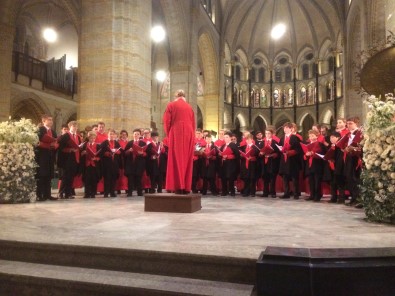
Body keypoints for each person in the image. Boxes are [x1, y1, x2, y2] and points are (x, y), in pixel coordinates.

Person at [163, 89, 195, 194]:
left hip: (176, 132)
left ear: (175, 96)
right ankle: (185, 186)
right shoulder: (190, 107)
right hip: (189, 134)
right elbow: (193, 124)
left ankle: (177, 186)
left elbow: (167, 122)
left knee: (175, 159)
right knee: (186, 159)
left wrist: (169, 135)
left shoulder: (171, 105)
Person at [36, 114, 58, 201]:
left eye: (52, 120)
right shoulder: (40, 129)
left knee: (49, 175)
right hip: (42, 156)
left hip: (50, 156)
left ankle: (48, 194)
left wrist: (55, 145)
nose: (51, 121)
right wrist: (49, 144)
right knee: (41, 175)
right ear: (43, 121)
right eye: (49, 120)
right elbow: (37, 142)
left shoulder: (53, 132)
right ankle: (40, 194)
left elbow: (56, 142)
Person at [58, 121, 82, 199]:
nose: (75, 128)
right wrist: (70, 149)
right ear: (69, 127)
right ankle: (61, 193)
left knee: (71, 176)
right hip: (67, 159)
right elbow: (61, 148)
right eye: (73, 126)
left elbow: (79, 146)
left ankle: (68, 193)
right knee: (65, 177)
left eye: (76, 126)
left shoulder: (78, 137)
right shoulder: (65, 136)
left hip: (75, 158)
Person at [278, 122, 303, 199]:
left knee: (294, 177)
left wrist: (290, 152)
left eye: (287, 128)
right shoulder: (282, 138)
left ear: (291, 129)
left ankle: (296, 193)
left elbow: (298, 149)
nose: (285, 129)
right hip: (284, 160)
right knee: (285, 177)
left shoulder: (295, 138)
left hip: (293, 160)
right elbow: (279, 147)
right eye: (284, 128)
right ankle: (286, 193)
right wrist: (281, 149)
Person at [100, 129, 122, 197]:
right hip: (107, 163)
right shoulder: (104, 143)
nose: (111, 135)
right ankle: (106, 192)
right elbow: (101, 152)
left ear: (115, 135)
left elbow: (120, 151)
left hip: (115, 163)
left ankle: (112, 192)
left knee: (114, 177)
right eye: (110, 134)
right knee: (107, 178)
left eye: (113, 134)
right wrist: (107, 153)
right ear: (108, 135)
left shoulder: (117, 143)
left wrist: (117, 151)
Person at [218, 132, 240, 196]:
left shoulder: (233, 145)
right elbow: (221, 153)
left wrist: (227, 156)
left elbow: (237, 155)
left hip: (231, 164)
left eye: (227, 137)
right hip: (224, 164)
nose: (225, 138)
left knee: (231, 178)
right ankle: (224, 191)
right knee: (223, 177)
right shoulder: (223, 146)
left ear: (230, 138)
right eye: (224, 137)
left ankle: (232, 191)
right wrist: (220, 154)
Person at [80, 131, 101, 198]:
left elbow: (100, 156)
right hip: (87, 164)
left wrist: (96, 158)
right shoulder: (85, 145)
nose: (92, 139)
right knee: (87, 179)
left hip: (94, 165)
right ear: (88, 138)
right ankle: (87, 193)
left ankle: (93, 193)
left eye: (93, 138)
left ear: (95, 138)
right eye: (90, 138)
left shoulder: (98, 145)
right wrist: (83, 153)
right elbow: (81, 154)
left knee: (94, 179)